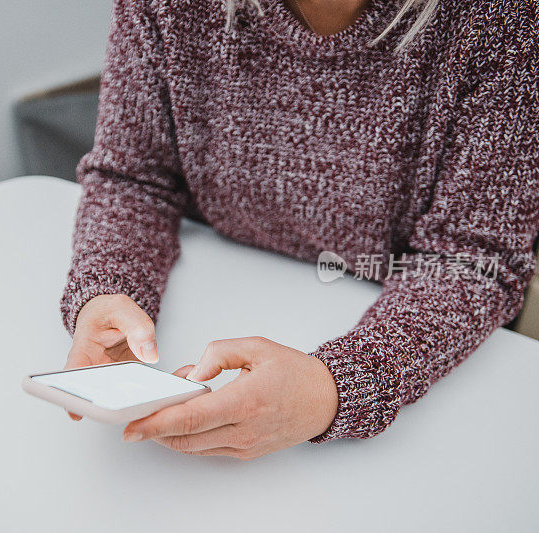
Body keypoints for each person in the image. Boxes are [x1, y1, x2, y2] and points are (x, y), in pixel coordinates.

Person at [59, 0, 539, 459]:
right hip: (218, 289)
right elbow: (134, 177)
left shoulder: (501, 19)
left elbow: (474, 259)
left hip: (423, 365)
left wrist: (335, 386)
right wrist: (109, 287)